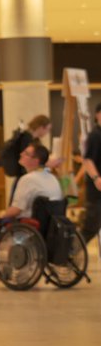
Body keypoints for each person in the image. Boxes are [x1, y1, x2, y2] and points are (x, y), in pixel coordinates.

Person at [0, 142, 63, 221]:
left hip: (30, 226)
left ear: (35, 161)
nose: (21, 154)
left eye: (26, 153)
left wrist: (0, 217)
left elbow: (15, 210)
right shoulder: (53, 178)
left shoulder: (27, 179)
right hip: (50, 226)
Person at [1, 114, 51, 205]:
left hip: (24, 176)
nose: (47, 132)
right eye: (47, 129)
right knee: (18, 205)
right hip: (24, 176)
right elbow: (27, 161)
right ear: (41, 127)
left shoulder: (29, 138)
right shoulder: (26, 138)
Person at [81, 103, 101, 252]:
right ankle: (69, 253)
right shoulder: (95, 135)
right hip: (96, 191)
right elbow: (87, 160)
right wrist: (96, 178)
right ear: (97, 115)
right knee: (91, 226)